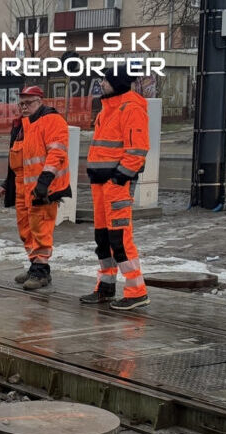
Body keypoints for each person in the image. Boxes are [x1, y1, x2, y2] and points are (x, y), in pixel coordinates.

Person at [81, 61, 149, 310]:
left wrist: (120, 178)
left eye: (106, 80)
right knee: (103, 239)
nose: (102, 83)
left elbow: (138, 149)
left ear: (117, 83)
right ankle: (106, 287)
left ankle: (137, 292)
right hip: (102, 185)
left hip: (115, 185)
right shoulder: (107, 109)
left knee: (119, 238)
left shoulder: (131, 108)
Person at [0, 86, 71, 290]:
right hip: (23, 185)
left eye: (28, 103)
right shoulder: (22, 124)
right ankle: (35, 265)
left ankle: (41, 269)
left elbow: (57, 153)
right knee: (26, 229)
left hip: (42, 187)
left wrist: (44, 182)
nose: (24, 107)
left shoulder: (52, 121)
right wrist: (7, 183)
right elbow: (17, 157)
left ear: (39, 101)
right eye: (21, 103)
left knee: (41, 228)